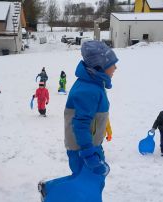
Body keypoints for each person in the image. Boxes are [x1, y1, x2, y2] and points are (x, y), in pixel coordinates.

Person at [39, 41, 118, 200]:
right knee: (86, 180)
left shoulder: (94, 83)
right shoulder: (88, 90)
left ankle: (48, 189)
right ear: (99, 67)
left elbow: (96, 117)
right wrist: (88, 153)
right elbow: (80, 124)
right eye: (111, 64)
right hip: (82, 147)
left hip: (89, 144)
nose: (115, 68)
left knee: (90, 179)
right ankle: (51, 192)